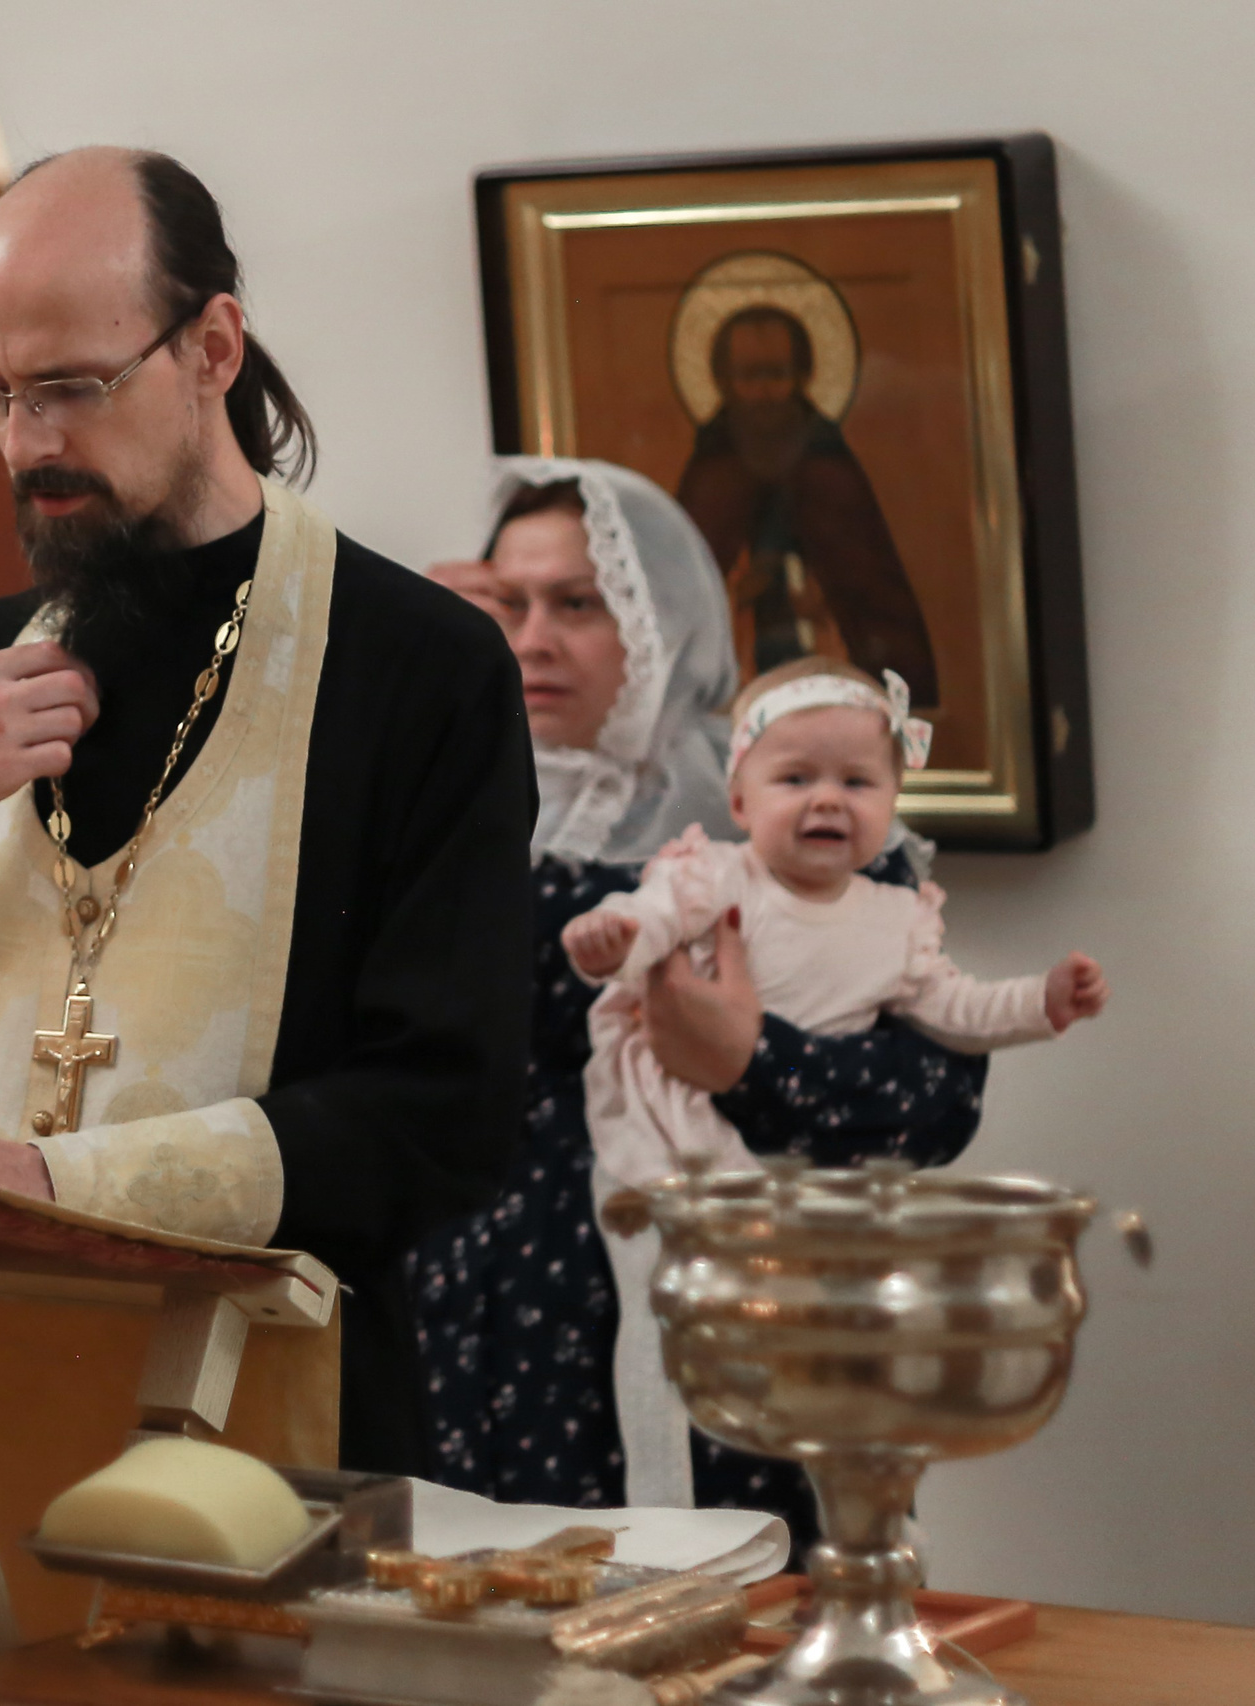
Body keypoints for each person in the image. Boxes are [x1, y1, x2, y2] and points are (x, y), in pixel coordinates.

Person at [0, 148, 536, 1474]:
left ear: (213, 347)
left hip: (275, 1421)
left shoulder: (416, 665)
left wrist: (56, 1187)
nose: (30, 442)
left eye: (71, 386)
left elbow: (444, 1112)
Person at [410, 459, 989, 1547]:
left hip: (739, 1326)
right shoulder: (439, 797)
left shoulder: (787, 802)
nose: (534, 638)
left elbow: (935, 1099)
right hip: (481, 1337)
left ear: (666, 615)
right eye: (510, 600)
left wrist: (748, 1062)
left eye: (580, 603)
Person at [563, 657, 1108, 1505]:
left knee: (816, 1342)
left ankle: (844, 1505)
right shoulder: (715, 876)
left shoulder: (897, 918)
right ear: (740, 802)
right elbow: (653, 920)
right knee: (668, 1303)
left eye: (858, 781)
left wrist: (1042, 1000)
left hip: (803, 1161)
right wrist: (613, 938)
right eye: (796, 778)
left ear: (892, 805)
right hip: (675, 1121)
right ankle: (665, 1499)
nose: (828, 799)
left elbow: (953, 1009)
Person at [675, 305, 940, 703]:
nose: (764, 392)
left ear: (803, 375)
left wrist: (823, 598)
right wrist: (737, 591)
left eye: (777, 374)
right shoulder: (713, 477)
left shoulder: (830, 473)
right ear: (724, 381)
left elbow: (874, 598)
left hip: (830, 667)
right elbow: (681, 599)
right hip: (736, 671)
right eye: (749, 376)